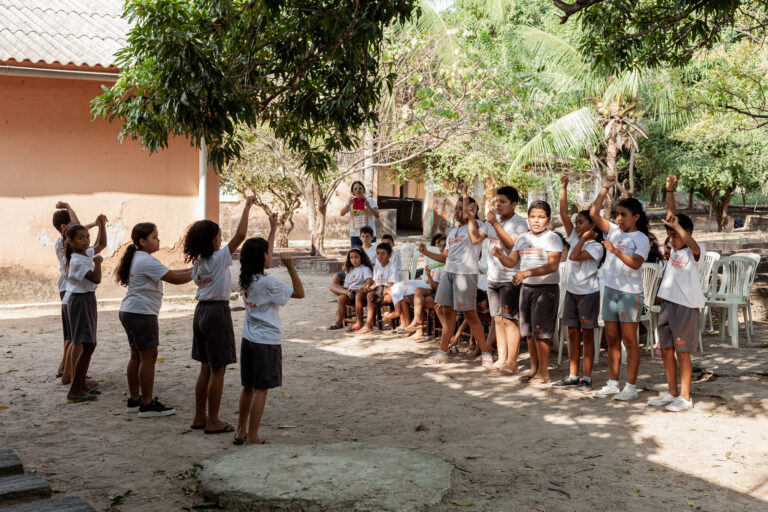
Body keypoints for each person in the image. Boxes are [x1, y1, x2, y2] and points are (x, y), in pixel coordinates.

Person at [183, 197, 275, 434]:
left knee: (205, 368)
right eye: (218, 236)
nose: (221, 239)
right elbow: (240, 236)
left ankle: (199, 416)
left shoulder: (199, 263)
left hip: (201, 312)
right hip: (216, 312)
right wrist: (246, 206)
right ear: (212, 240)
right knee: (218, 369)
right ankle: (213, 420)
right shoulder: (216, 259)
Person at [116, 223, 193, 417]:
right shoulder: (146, 260)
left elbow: (174, 273)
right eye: (154, 237)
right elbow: (175, 278)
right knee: (148, 358)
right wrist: (198, 271)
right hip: (142, 314)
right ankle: (147, 404)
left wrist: (194, 269)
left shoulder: (138, 257)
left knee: (136, 357)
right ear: (142, 241)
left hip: (130, 311)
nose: (158, 240)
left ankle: (135, 400)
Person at [234, 239, 305, 445]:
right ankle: (253, 435)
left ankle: (240, 432)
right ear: (262, 257)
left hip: (249, 338)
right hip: (266, 341)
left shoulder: (247, 280)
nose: (270, 255)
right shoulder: (269, 283)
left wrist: (272, 229)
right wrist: (291, 268)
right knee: (261, 389)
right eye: (268, 253)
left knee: (248, 387)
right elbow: (300, 293)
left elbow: (261, 251)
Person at [589, 175, 651, 401]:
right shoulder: (614, 231)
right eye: (618, 214)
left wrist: (614, 251)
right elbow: (594, 214)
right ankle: (613, 383)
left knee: (629, 340)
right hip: (611, 290)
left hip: (629, 293)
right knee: (612, 338)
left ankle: (631, 386)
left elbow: (635, 263)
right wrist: (605, 187)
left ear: (636, 217)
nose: (620, 218)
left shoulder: (641, 238)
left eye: (624, 215)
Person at [419, 183, 492, 367]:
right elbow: (446, 258)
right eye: (457, 209)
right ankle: (442, 352)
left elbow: (473, 230)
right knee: (447, 312)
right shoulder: (453, 232)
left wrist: (466, 194)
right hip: (449, 274)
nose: (458, 212)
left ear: (472, 210)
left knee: (470, 314)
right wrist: (426, 252)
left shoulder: (479, 226)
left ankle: (486, 353)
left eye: (462, 208)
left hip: (465, 275)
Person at [648, 175, 705, 412]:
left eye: (675, 235)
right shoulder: (672, 250)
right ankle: (672, 393)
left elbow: (685, 237)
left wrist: (679, 229)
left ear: (686, 233)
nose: (671, 240)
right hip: (668, 306)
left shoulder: (695, 252)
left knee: (683, 353)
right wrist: (669, 191)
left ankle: (685, 397)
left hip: (686, 306)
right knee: (667, 352)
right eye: (669, 236)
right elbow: (671, 218)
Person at [493, 201, 563, 384]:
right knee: (530, 333)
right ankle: (534, 369)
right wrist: (501, 257)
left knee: (541, 334)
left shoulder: (552, 238)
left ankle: (544, 372)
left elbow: (553, 265)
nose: (536, 221)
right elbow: (512, 262)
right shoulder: (523, 238)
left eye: (541, 217)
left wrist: (527, 273)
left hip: (545, 290)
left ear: (548, 219)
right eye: (532, 217)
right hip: (526, 289)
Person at [467, 185, 529, 375]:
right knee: (498, 319)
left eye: (503, 202)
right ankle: (502, 359)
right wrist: (471, 218)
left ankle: (512, 361)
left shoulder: (519, 223)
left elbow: (512, 244)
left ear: (514, 204)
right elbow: (476, 239)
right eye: (497, 201)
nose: (498, 205)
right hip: (493, 277)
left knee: (510, 320)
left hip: (510, 277)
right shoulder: (493, 221)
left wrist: (495, 224)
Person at [554, 176, 604, 391]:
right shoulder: (575, 236)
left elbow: (574, 256)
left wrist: (584, 237)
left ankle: (587, 377)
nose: (576, 226)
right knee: (572, 334)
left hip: (588, 293)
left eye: (581, 223)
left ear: (593, 225)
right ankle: (573, 375)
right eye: (576, 224)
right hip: (572, 292)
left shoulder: (597, 247)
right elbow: (564, 214)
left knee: (588, 335)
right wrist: (563, 188)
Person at [63, 216, 107, 401]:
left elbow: (102, 244)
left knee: (89, 343)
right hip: (80, 301)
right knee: (86, 344)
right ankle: (75, 389)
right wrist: (97, 263)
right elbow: (96, 279)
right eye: (81, 237)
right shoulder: (77, 261)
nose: (87, 240)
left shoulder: (83, 254)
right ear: (70, 241)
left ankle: (80, 384)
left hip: (87, 299)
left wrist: (102, 226)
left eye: (87, 236)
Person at [51, 202, 96, 384]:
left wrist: (94, 224)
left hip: (69, 289)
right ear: (64, 228)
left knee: (71, 336)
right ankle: (69, 373)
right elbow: (77, 226)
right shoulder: (64, 242)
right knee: (73, 337)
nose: (84, 239)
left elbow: (79, 227)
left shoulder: (68, 242)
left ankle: (65, 370)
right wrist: (69, 207)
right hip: (70, 291)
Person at [327, 247, 374, 330]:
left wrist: (359, 288)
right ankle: (339, 322)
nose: (354, 260)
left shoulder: (365, 269)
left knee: (353, 295)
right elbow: (349, 284)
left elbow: (368, 282)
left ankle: (359, 322)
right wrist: (348, 291)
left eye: (356, 257)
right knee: (338, 294)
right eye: (351, 258)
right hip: (350, 293)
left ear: (361, 258)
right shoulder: (350, 269)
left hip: (360, 293)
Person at [358, 242, 399, 333]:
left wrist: (375, 292)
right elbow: (376, 283)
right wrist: (368, 288)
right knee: (366, 294)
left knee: (372, 297)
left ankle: (369, 324)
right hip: (378, 292)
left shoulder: (393, 268)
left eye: (383, 254)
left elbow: (390, 286)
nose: (380, 256)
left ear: (389, 256)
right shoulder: (376, 267)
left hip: (388, 292)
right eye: (378, 253)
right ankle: (364, 322)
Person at [340, 180, 379, 247]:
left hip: (369, 234)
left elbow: (377, 215)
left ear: (363, 190)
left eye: (360, 188)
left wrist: (368, 206)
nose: (358, 190)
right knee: (357, 254)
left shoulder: (370, 200)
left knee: (371, 255)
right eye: (355, 188)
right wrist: (349, 204)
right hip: (355, 234)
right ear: (353, 192)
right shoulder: (350, 202)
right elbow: (342, 213)